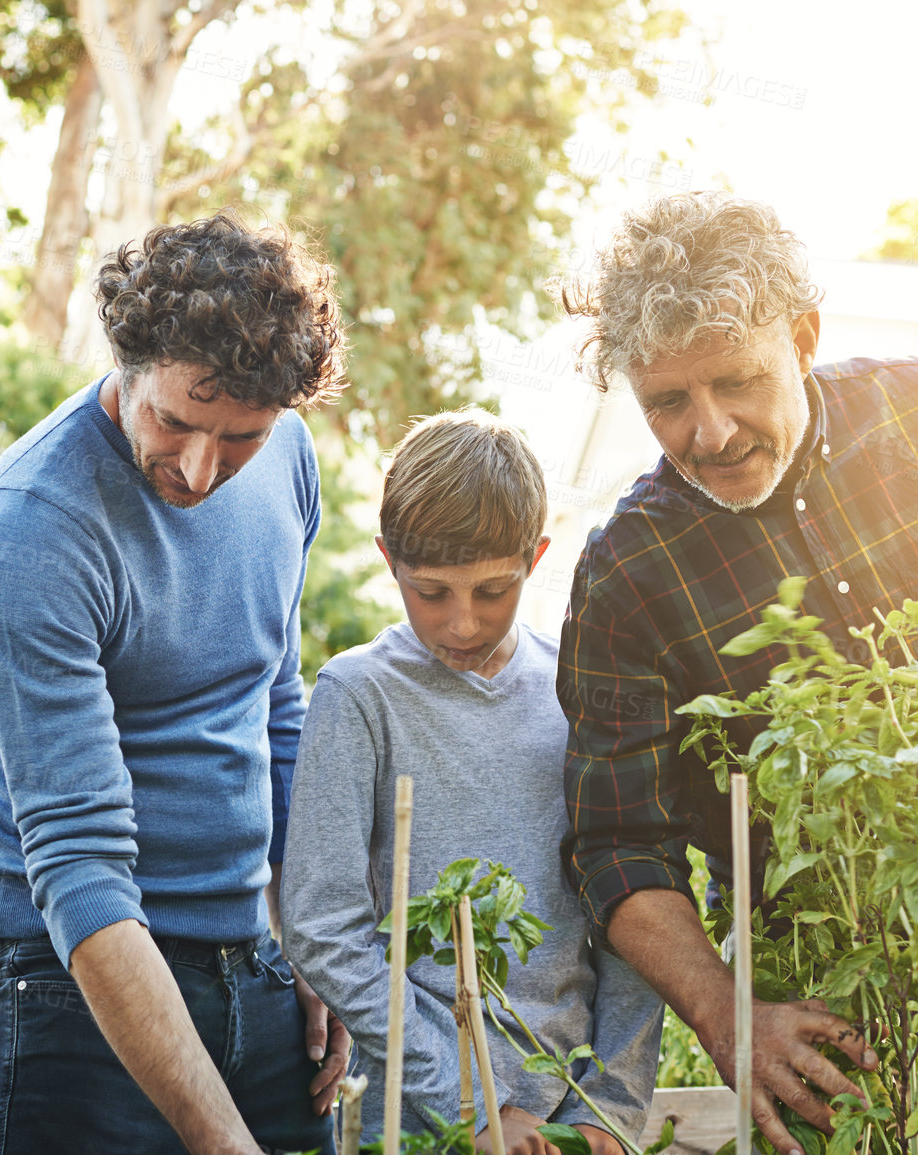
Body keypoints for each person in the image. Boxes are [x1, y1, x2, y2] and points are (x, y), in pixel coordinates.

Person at [555, 192, 918, 1155]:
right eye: (667, 401)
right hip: (825, 1020)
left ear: (802, 334)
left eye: (736, 381)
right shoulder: (629, 574)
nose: (708, 432)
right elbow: (618, 845)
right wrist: (724, 1011)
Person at [0, 213, 352, 1155]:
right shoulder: (35, 524)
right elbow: (79, 863)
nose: (200, 469)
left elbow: (275, 707)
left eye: (240, 438)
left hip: (255, 978)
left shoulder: (288, 459)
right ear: (127, 362)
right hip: (75, 995)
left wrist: (309, 932)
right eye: (174, 421)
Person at [281, 409, 664, 1155]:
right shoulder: (359, 696)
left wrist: (607, 1113)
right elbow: (323, 926)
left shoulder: (579, 690)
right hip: (411, 1124)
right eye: (431, 592)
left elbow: (632, 908)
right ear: (388, 559)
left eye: (492, 590)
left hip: (569, 1121)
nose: (461, 623)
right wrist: (473, 1101)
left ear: (536, 557)